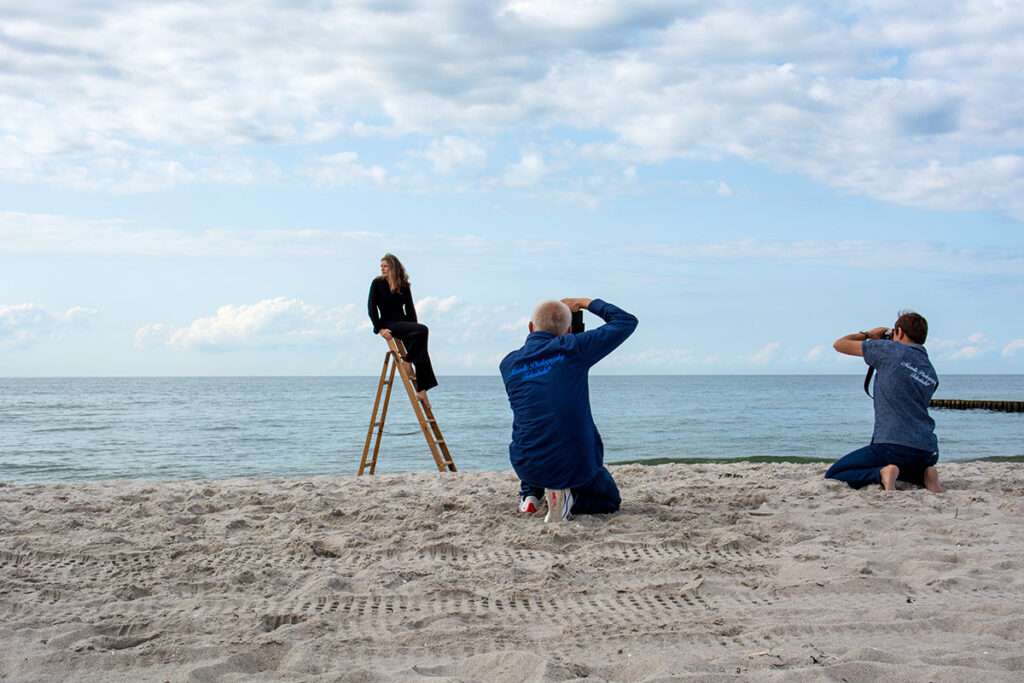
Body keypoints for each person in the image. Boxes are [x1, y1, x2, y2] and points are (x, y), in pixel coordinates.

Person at [500, 297, 638, 523]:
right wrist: (585, 302)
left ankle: (530, 496)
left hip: (526, 464)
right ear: (570, 330)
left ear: (530, 327)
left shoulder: (509, 364)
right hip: (575, 464)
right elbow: (625, 321)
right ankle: (569, 497)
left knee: (536, 422)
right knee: (609, 500)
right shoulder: (574, 349)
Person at [827, 311, 943, 492]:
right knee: (906, 463)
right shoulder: (929, 370)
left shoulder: (888, 350)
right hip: (927, 451)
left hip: (892, 446)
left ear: (900, 333)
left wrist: (868, 335)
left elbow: (839, 344)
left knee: (836, 472)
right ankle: (924, 475)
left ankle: (881, 473)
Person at [367, 254, 437, 401]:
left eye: (385, 266)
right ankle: (408, 362)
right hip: (388, 323)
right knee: (423, 331)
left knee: (421, 347)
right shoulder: (377, 283)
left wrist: (414, 329)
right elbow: (371, 308)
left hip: (403, 323)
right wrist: (379, 329)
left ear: (393, 267)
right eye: (381, 266)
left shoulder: (404, 285)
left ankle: (421, 390)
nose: (382, 269)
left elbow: (410, 309)